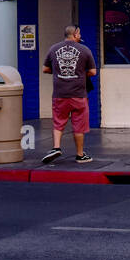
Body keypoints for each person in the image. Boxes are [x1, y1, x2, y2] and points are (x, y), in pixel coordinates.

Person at [41, 24, 97, 165]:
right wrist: (78, 73)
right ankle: (80, 155)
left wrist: (60, 72)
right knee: (79, 125)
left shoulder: (53, 49)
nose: (80, 35)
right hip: (79, 94)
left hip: (60, 93)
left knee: (58, 122)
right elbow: (93, 72)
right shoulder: (85, 50)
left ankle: (56, 147)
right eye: (79, 33)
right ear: (76, 34)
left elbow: (45, 69)